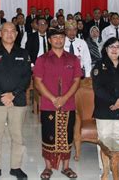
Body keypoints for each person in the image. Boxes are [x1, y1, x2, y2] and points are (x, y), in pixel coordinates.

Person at [0, 22, 31, 180]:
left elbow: (26, 77)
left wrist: (14, 94)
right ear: (0, 33)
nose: (9, 34)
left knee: (17, 136)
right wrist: (2, 96)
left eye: (13, 31)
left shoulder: (23, 53)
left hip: (18, 101)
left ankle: (15, 167)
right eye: (6, 31)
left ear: (17, 34)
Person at [33, 28, 81, 179]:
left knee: (67, 136)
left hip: (68, 104)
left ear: (65, 39)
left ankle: (66, 167)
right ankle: (48, 167)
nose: (58, 40)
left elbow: (77, 81)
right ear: (49, 40)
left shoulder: (73, 59)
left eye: (61, 37)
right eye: (55, 38)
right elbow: (38, 82)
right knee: (48, 136)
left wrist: (65, 97)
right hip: (48, 104)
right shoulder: (42, 59)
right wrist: (53, 98)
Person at [92, 37, 119, 177]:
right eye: (111, 47)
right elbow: (98, 88)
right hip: (104, 108)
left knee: (118, 138)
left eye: (117, 47)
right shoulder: (99, 65)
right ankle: (104, 168)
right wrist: (114, 101)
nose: (114, 49)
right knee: (104, 139)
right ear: (106, 49)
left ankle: (114, 167)